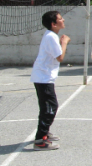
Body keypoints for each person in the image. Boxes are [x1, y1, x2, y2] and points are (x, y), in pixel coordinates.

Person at [30, 11, 70, 150]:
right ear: (54, 24)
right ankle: (40, 141)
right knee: (50, 108)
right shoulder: (51, 37)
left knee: (47, 107)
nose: (63, 20)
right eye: (60, 19)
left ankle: (44, 133)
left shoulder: (51, 36)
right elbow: (60, 57)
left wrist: (61, 42)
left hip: (43, 77)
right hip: (43, 78)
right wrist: (64, 43)